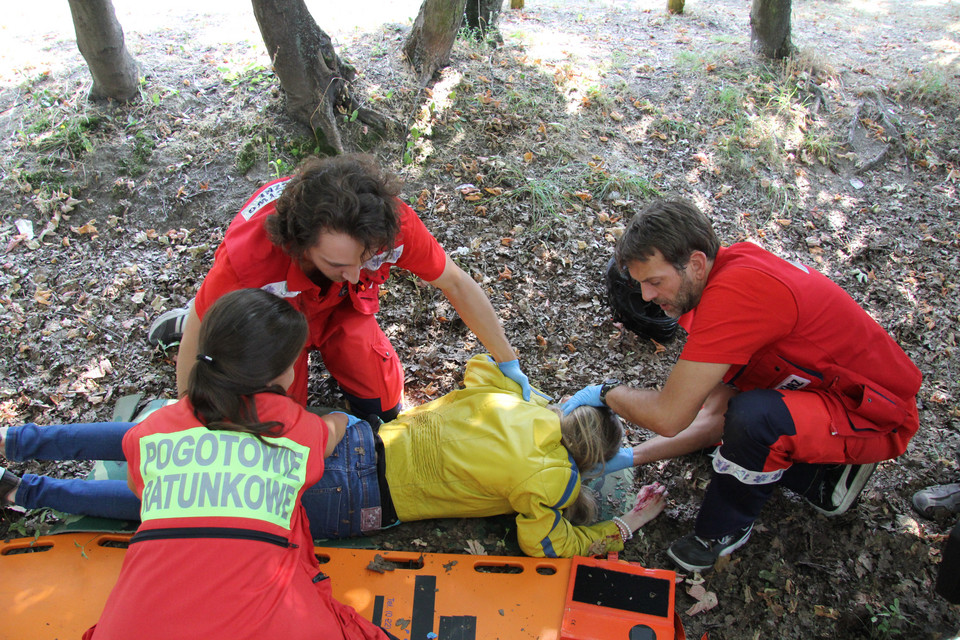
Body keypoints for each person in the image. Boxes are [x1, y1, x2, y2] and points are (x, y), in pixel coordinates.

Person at [2, 356, 666, 559]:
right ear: (589, 462)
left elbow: (482, 365)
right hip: (352, 500)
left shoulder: (519, 406)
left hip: (348, 439)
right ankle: (24, 492)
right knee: (174, 501)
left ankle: (20, 445)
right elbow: (544, 546)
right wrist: (624, 527)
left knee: (167, 444)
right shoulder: (548, 480)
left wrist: (544, 398)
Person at [562, 198, 922, 573]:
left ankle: (724, 529)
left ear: (697, 264)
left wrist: (604, 393)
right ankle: (812, 466)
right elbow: (713, 416)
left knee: (754, 421)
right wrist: (632, 457)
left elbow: (669, 416)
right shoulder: (713, 288)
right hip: (814, 392)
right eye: (641, 285)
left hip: (875, 414)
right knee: (737, 421)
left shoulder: (739, 295)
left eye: (654, 282)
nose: (647, 297)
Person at [81, 288, 393, 640]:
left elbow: (138, 490)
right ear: (274, 377)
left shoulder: (150, 431)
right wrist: (340, 415)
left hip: (130, 625)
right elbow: (328, 435)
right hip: (257, 622)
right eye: (293, 362)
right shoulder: (291, 425)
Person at [149, 153, 537, 422]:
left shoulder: (390, 225)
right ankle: (177, 324)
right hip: (273, 320)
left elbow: (455, 282)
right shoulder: (250, 261)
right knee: (279, 417)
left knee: (383, 405)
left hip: (341, 306)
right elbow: (205, 323)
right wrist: (187, 411)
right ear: (300, 244)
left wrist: (508, 361)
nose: (354, 272)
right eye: (337, 263)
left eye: (365, 258)